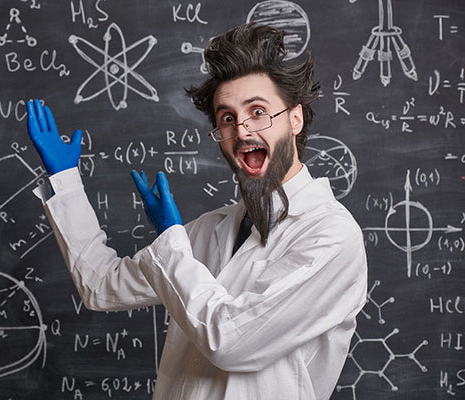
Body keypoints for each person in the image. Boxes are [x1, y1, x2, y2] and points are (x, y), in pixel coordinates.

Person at [26, 23, 367, 400]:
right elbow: (99, 285)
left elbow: (231, 341)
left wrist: (170, 242)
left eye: (258, 111)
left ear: (295, 119)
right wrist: (66, 182)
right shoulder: (214, 229)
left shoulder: (331, 236)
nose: (242, 130)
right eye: (227, 118)